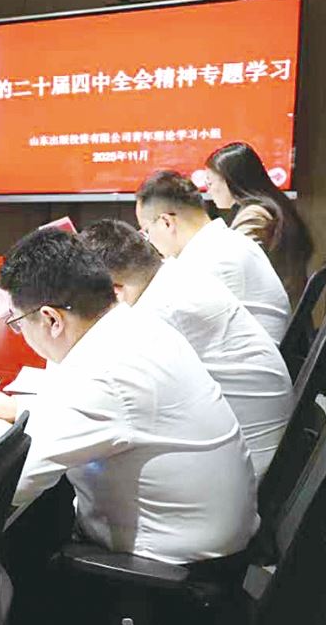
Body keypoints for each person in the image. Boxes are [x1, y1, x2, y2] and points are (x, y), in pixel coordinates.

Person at [0, 228, 257, 565]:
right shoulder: (136, 326)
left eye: (18, 322)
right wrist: (21, 407)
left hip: (165, 568)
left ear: (51, 319)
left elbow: (13, 486)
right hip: (216, 537)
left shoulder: (100, 375)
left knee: (12, 544)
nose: (20, 333)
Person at [80, 219, 292, 477]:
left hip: (244, 468)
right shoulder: (178, 276)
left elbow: (104, 398)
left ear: (115, 291)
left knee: (88, 465)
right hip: (260, 447)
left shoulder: (159, 313)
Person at [135, 169, 291, 342]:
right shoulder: (223, 243)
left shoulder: (209, 260)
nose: (150, 241)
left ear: (166, 223)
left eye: (147, 231)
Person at [203, 141, 313, 304]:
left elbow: (232, 266)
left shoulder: (255, 214)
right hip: (284, 303)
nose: (208, 190)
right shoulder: (273, 204)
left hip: (267, 309)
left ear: (230, 180)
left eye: (210, 183)